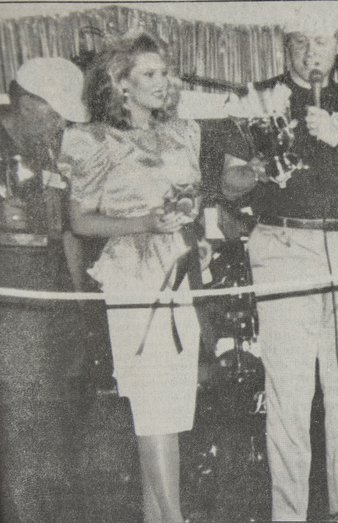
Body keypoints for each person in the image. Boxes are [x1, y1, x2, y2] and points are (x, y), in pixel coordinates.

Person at [219, 18, 338, 520]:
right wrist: (255, 168)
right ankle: (288, 516)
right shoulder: (258, 99)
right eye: (298, 42)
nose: (309, 52)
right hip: (282, 245)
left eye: (319, 40)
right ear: (286, 48)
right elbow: (229, 188)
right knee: (289, 399)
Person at [59, 32, 204, 523]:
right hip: (134, 277)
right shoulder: (93, 140)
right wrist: (143, 222)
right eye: (149, 74)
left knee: (168, 412)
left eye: (164, 73)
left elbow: (191, 198)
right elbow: (80, 221)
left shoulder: (184, 133)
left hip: (178, 270)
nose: (162, 83)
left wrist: (183, 214)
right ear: (120, 85)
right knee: (154, 407)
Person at [0, 57, 89, 522]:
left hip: (54, 303)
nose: (60, 123)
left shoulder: (51, 150)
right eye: (53, 112)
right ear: (26, 101)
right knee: (26, 426)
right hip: (13, 304)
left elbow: (68, 232)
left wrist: (78, 306)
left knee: (54, 423)